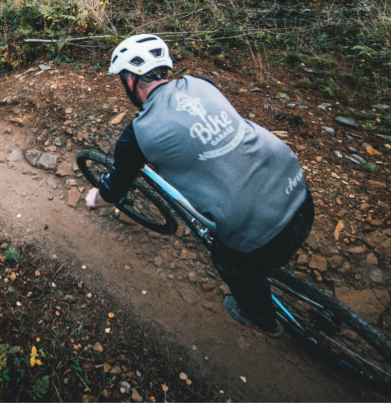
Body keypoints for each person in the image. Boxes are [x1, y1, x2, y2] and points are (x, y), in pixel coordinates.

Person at [86, 34, 314, 337]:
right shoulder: (201, 84)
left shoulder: (138, 134)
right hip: (296, 187)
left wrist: (96, 199)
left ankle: (264, 321)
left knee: (229, 262)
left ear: (129, 81)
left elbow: (113, 191)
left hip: (257, 232)